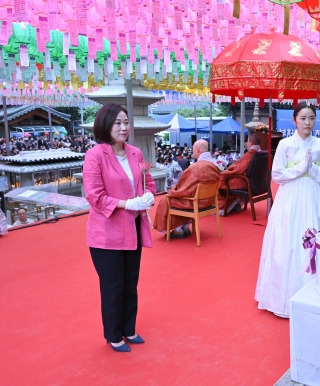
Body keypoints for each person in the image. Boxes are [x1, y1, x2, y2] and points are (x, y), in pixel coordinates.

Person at [83, 103, 156, 353]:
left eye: (126, 122)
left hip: (133, 227)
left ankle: (129, 328)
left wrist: (147, 195)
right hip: (106, 234)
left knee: (130, 282)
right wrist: (127, 203)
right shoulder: (95, 155)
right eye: (118, 123)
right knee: (113, 285)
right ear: (105, 124)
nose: (124, 127)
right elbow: (95, 196)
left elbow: (150, 182)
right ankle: (113, 334)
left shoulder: (135, 153)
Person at [255, 102, 320, 318]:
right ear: (294, 120)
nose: (307, 122)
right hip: (290, 198)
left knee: (315, 239)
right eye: (302, 118)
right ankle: (282, 297)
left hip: (316, 197)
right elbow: (277, 175)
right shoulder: (284, 144)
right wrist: (301, 168)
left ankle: (317, 295)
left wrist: (314, 169)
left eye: (311, 118)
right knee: (288, 241)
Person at [153, 139, 220, 238]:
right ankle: (184, 226)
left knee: (167, 200)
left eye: (193, 149)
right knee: (181, 198)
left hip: (196, 202)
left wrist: (172, 190)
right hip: (208, 201)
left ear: (197, 150)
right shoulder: (215, 165)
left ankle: (178, 229)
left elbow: (182, 189)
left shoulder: (195, 168)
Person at [217, 134, 262, 215]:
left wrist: (226, 171)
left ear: (250, 143)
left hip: (245, 183)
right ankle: (235, 204)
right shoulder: (262, 154)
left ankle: (226, 206)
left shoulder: (250, 154)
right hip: (258, 185)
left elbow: (237, 168)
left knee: (222, 179)